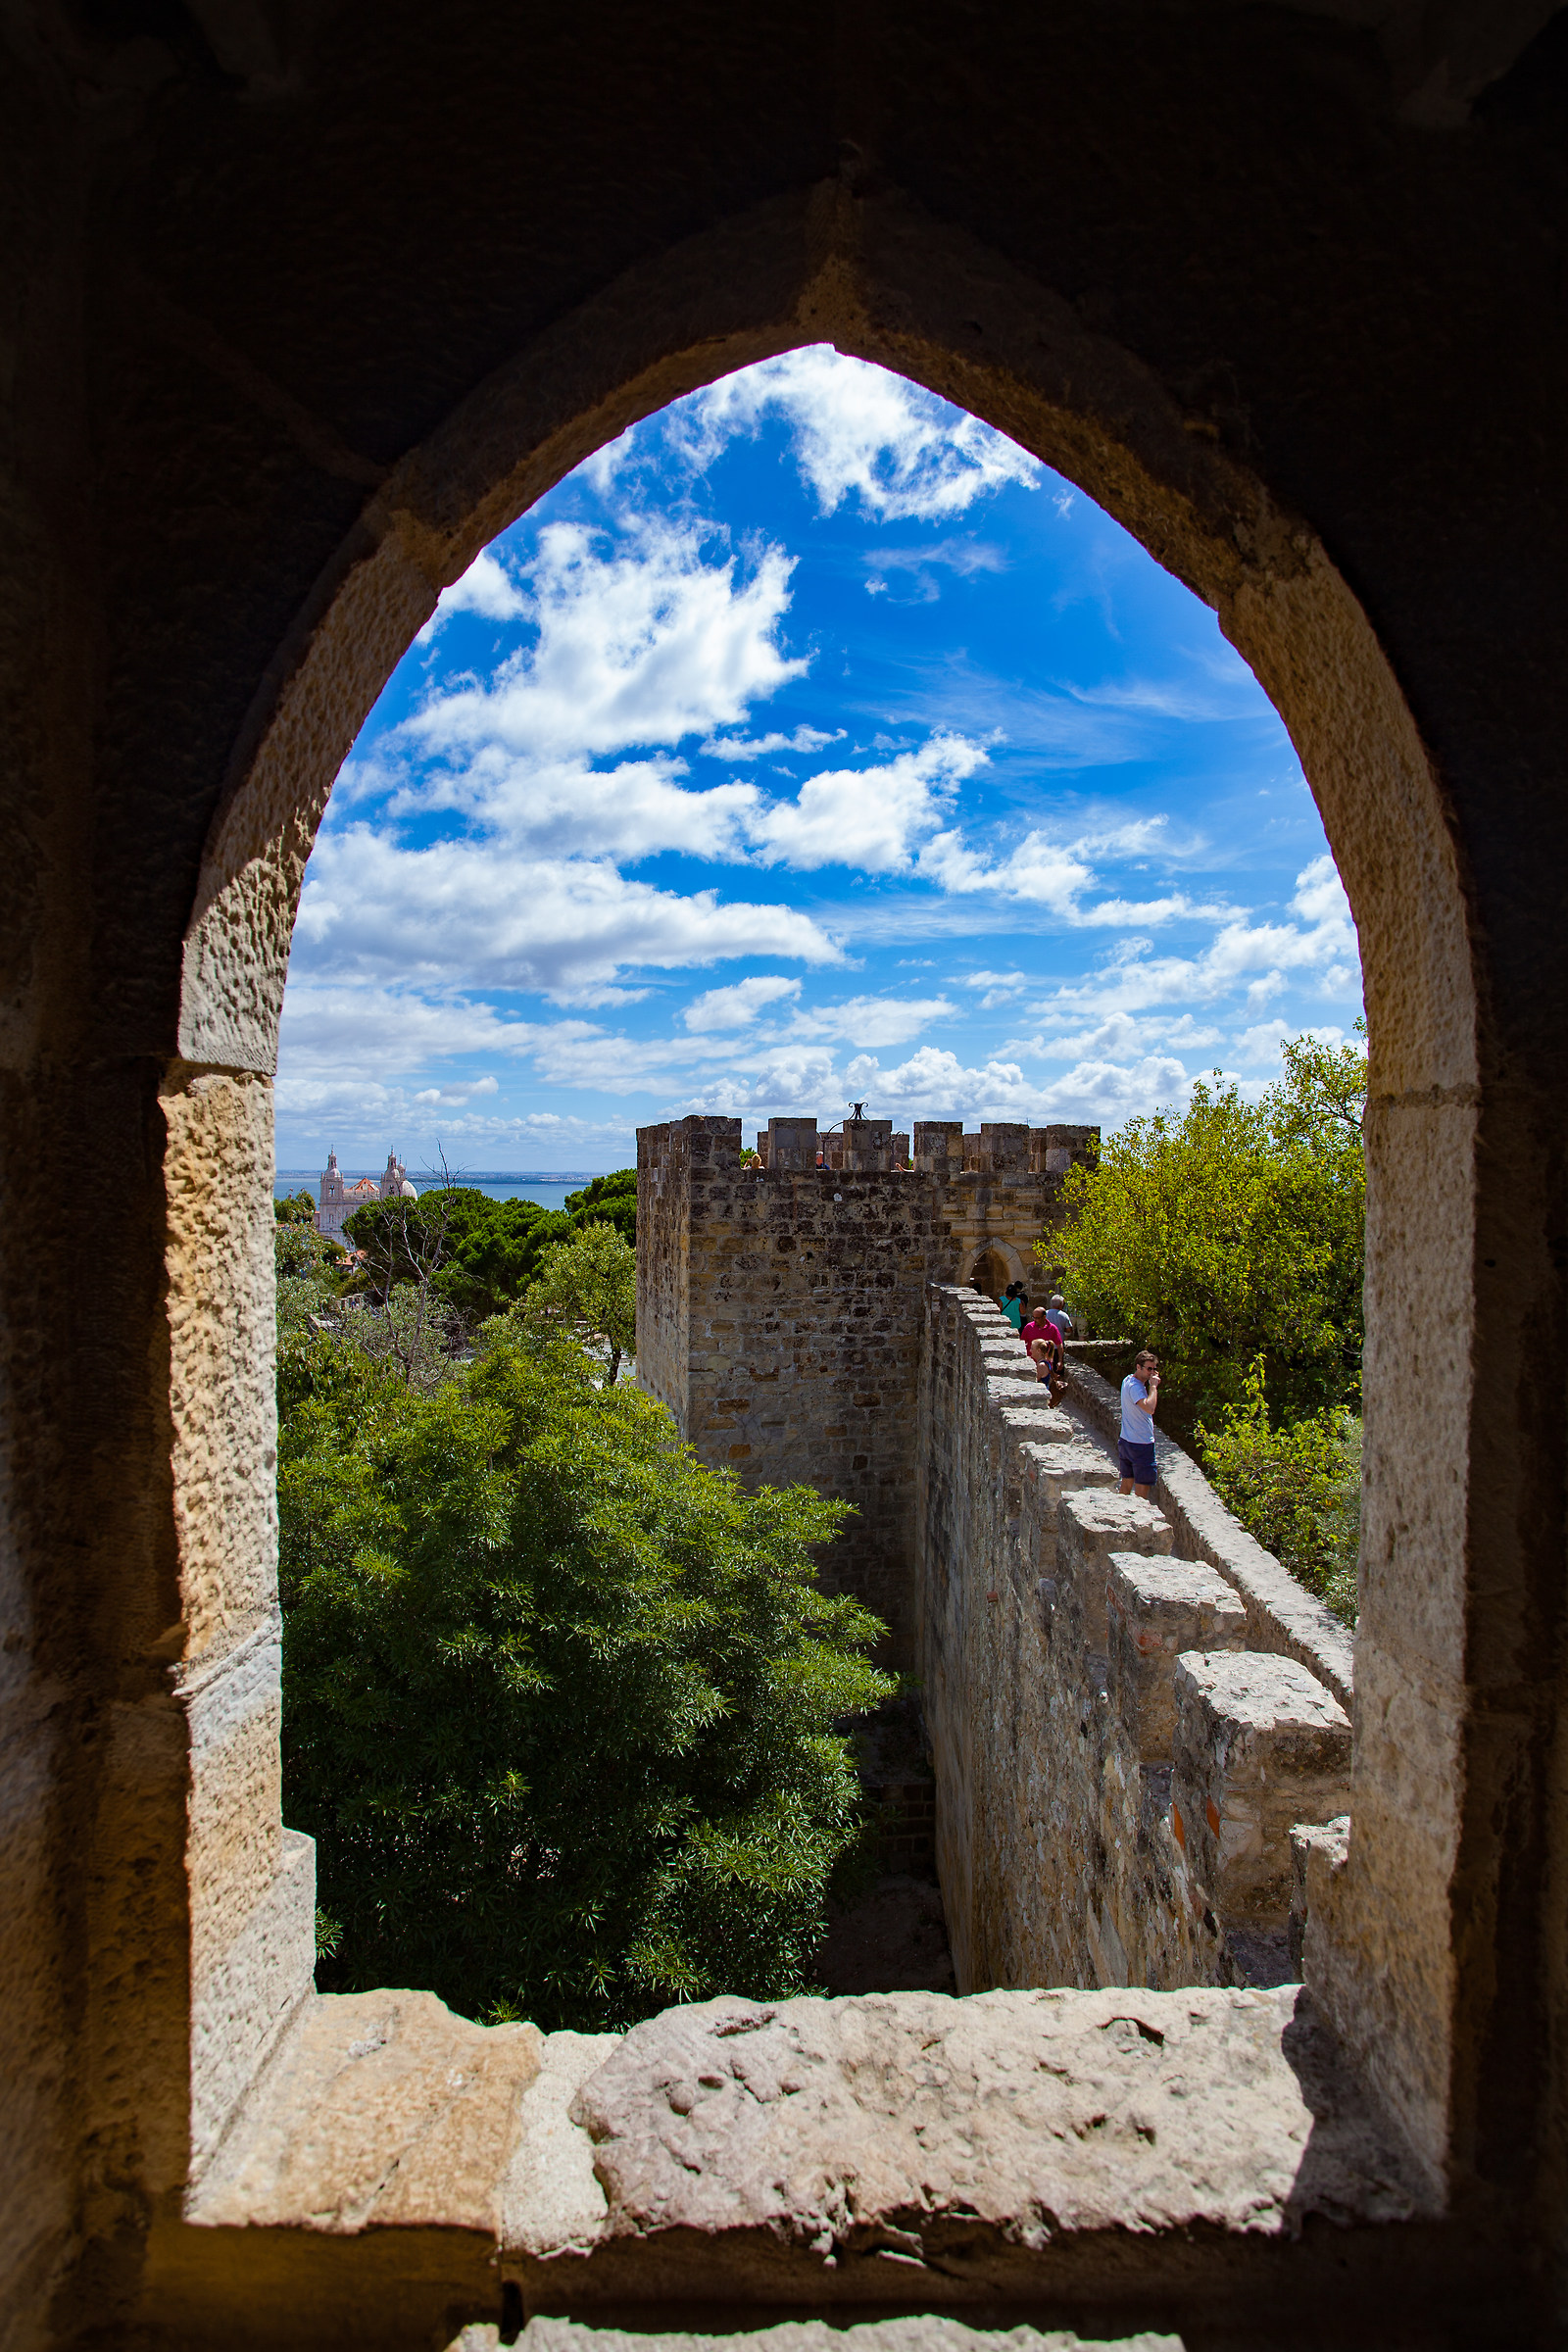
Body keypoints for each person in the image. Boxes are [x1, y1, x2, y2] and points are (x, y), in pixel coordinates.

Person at [1118, 1350, 1160, 1497]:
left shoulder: (1127, 1380)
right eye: (1149, 1369)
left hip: (1126, 1441)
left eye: (1154, 1369)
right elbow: (1150, 1408)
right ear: (1138, 1367)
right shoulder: (1136, 1387)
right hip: (1141, 1444)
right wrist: (1153, 1386)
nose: (1153, 1373)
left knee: (1126, 1485)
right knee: (1142, 1492)